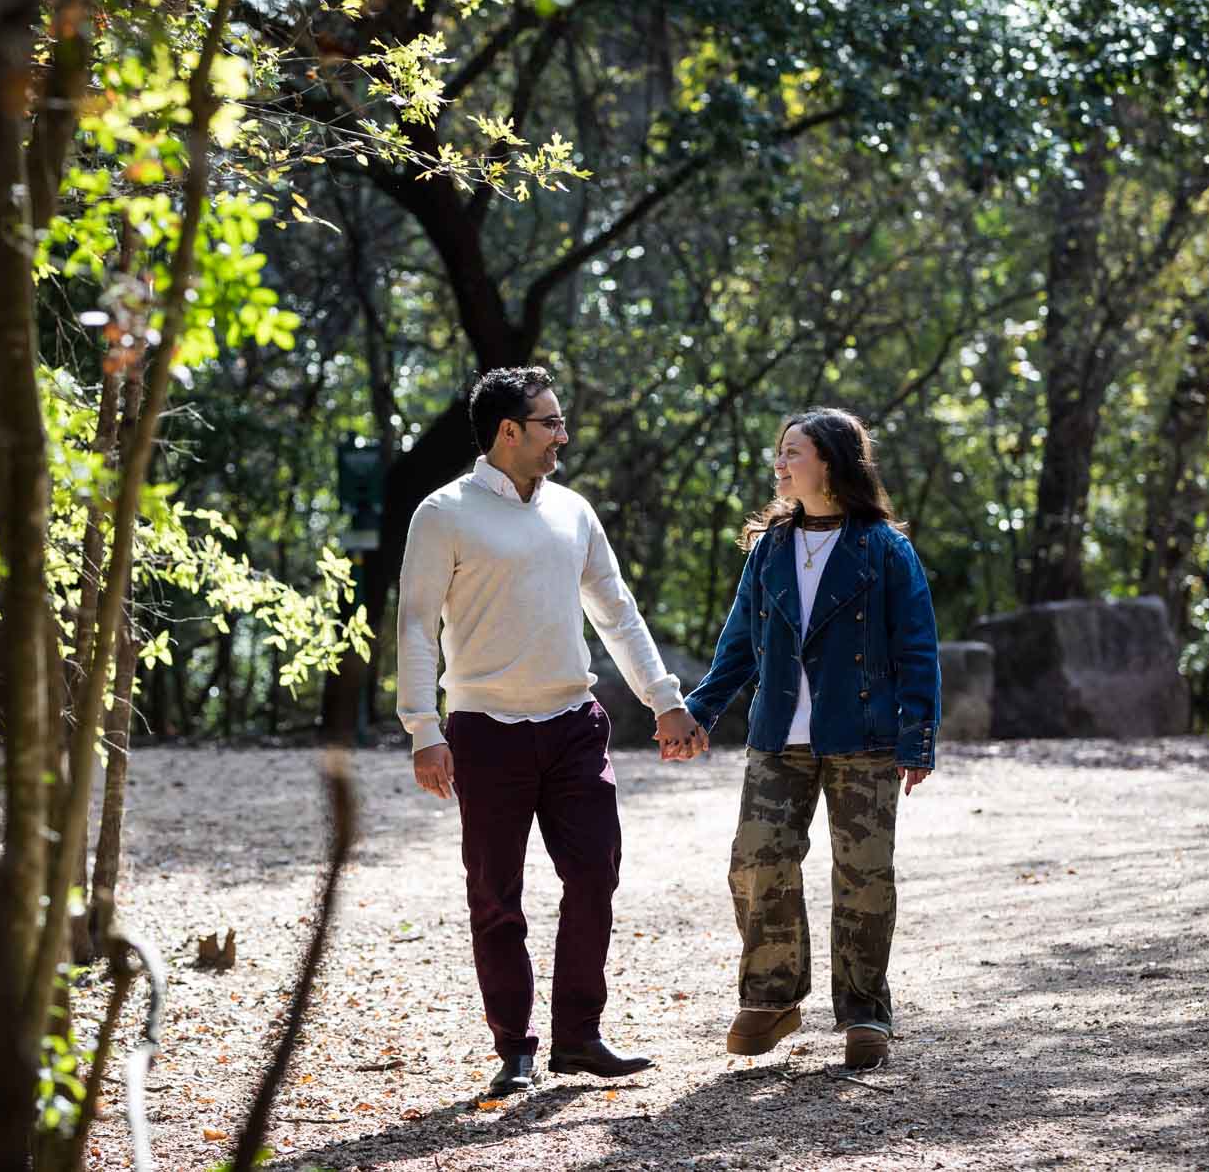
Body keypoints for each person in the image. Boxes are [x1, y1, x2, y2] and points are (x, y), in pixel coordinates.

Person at [397, 365, 709, 1098]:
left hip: (573, 724)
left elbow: (617, 611)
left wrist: (665, 699)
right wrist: (423, 728)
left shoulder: (573, 510)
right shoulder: (443, 513)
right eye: (550, 423)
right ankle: (514, 1045)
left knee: (595, 873)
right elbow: (415, 625)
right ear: (509, 430)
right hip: (484, 733)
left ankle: (579, 1036)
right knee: (495, 894)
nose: (562, 436)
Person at [683, 407, 940, 1071]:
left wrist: (918, 737)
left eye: (792, 450)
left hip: (865, 737)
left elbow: (918, 646)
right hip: (777, 736)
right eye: (780, 451)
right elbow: (739, 644)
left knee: (864, 876)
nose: (781, 462)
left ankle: (864, 1012)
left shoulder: (885, 549)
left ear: (830, 460)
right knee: (756, 859)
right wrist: (697, 712)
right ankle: (771, 997)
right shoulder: (770, 547)